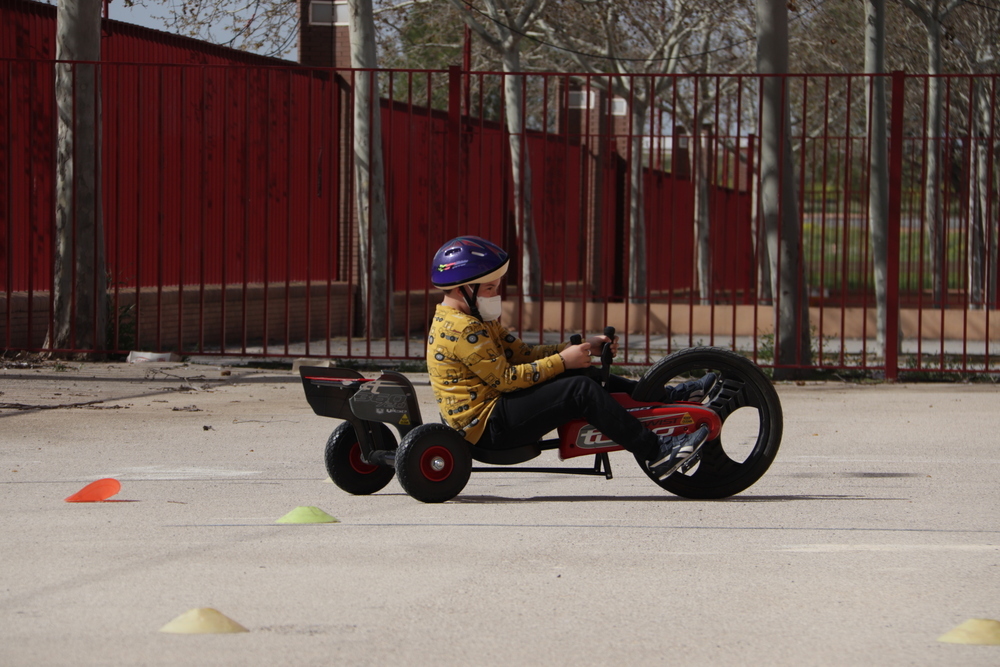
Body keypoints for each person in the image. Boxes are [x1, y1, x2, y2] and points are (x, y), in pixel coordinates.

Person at [426, 236, 715, 480]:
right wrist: (564, 361)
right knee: (578, 389)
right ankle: (657, 452)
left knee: (585, 373)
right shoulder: (462, 329)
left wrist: (581, 349)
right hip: (488, 427)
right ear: (463, 289)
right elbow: (506, 380)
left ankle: (667, 397)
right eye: (490, 288)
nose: (496, 294)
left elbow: (524, 355)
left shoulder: (476, 318)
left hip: (497, 410)